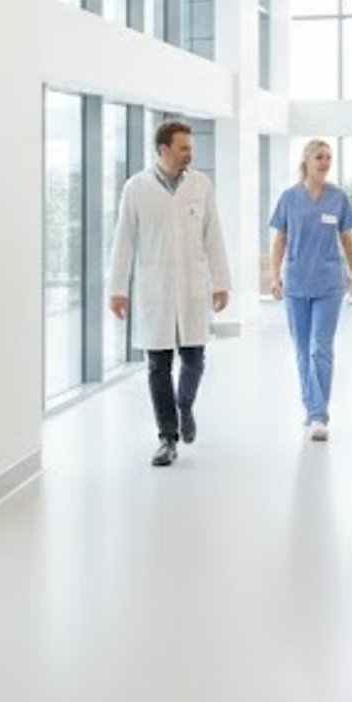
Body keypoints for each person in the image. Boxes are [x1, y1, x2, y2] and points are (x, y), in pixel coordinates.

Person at [108, 120, 231, 467]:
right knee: (157, 365)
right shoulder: (136, 188)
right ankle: (166, 437)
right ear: (163, 150)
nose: (190, 154)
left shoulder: (201, 185)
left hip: (193, 286)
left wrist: (222, 282)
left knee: (194, 359)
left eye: (191, 148)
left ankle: (185, 406)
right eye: (184, 148)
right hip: (155, 289)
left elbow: (214, 235)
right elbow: (124, 240)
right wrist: (117, 289)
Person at [269, 139, 352, 441]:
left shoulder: (339, 198)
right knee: (301, 351)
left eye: (329, 157)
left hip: (329, 284)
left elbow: (348, 241)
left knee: (320, 348)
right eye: (319, 157)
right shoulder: (289, 198)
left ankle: (318, 415)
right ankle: (312, 406)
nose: (325, 162)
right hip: (296, 283)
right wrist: (274, 276)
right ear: (306, 161)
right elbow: (279, 240)